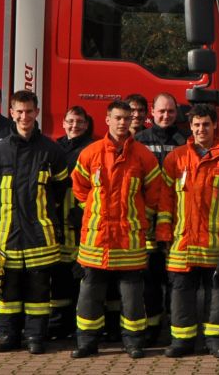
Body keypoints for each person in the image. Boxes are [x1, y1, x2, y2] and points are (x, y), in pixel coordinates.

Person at [69, 100, 165, 359]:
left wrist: (139, 217)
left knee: (132, 296)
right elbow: (79, 186)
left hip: (129, 239)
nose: (122, 122)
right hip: (96, 238)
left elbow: (155, 192)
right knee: (89, 294)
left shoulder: (143, 155)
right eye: (118, 118)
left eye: (126, 118)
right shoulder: (91, 153)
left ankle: (134, 342)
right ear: (107, 120)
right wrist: (93, 209)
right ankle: (87, 343)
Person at [157, 104, 219, 358]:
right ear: (190, 127)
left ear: (215, 126)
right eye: (196, 125)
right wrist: (164, 234)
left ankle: (215, 340)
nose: (201, 129)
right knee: (180, 294)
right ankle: (182, 342)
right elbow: (165, 201)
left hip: (216, 242)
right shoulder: (175, 158)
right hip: (182, 242)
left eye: (206, 124)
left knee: (217, 295)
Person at [0, 90, 69, 354]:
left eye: (29, 111)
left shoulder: (51, 150)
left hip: (40, 235)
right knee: (7, 291)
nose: (24, 116)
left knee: (39, 293)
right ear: (11, 113)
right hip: (6, 234)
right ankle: (8, 336)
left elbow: (61, 190)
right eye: (19, 111)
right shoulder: (0, 150)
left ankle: (35, 338)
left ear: (37, 113)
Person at [134, 92, 186, 342]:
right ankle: (153, 326)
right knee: (150, 278)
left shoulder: (185, 141)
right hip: (148, 220)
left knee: (174, 277)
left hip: (179, 219)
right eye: (162, 111)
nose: (166, 116)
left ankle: (174, 322)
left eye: (171, 111)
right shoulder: (140, 140)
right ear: (151, 112)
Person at [49, 106, 95, 340]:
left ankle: (80, 325)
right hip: (59, 222)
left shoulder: (92, 149)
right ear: (64, 123)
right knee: (59, 276)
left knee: (82, 277)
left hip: (82, 223)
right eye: (70, 121)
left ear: (86, 125)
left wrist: (82, 212)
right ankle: (58, 324)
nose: (74, 125)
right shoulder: (55, 148)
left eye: (79, 122)